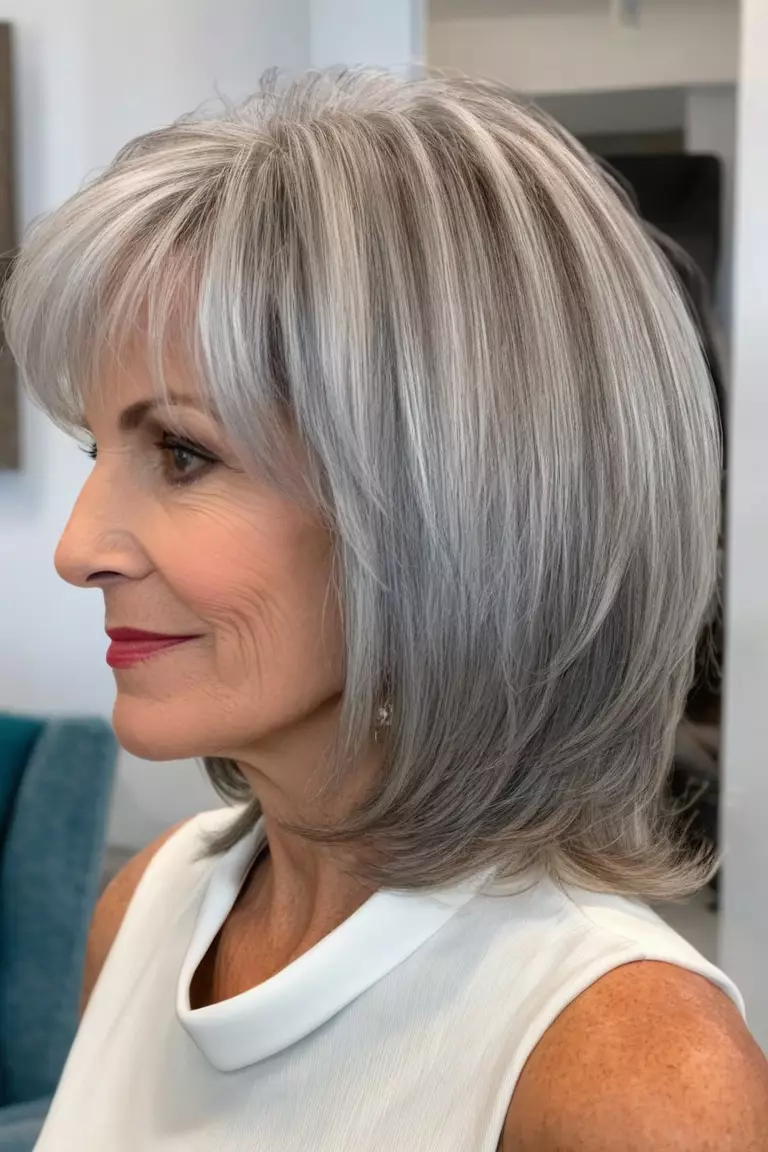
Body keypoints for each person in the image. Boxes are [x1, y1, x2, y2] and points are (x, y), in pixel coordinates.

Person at [5, 70, 767, 1151]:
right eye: (98, 447)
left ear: (450, 505)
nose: (79, 548)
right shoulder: (149, 903)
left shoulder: (631, 1076)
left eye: (181, 452)